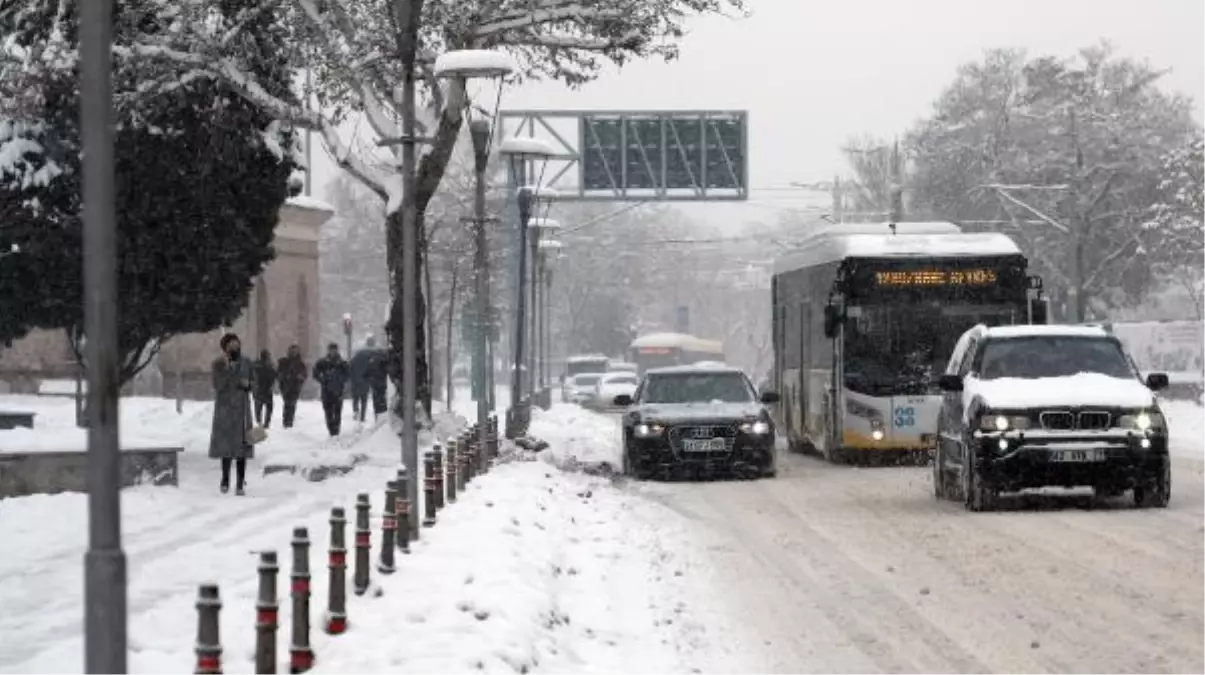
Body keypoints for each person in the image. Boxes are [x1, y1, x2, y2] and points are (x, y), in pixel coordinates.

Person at [209, 333, 254, 495]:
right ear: (225, 347)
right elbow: (217, 385)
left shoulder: (247, 362)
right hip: (225, 410)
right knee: (226, 448)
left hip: (242, 410)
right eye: (231, 345)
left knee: (242, 448)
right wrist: (227, 370)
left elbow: (253, 382)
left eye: (237, 344)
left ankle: (240, 483)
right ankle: (225, 479)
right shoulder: (218, 364)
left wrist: (248, 384)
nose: (235, 347)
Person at [313, 342, 350, 436]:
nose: (333, 352)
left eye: (334, 350)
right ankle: (331, 429)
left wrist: (340, 380)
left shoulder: (342, 363)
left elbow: (347, 375)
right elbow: (315, 373)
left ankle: (336, 430)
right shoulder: (322, 362)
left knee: (337, 411)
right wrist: (323, 379)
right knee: (328, 411)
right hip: (326, 391)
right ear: (328, 350)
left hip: (338, 390)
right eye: (331, 350)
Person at [277, 344, 307, 428]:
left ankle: (289, 421)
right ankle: (286, 421)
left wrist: (299, 377)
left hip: (295, 387)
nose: (293, 352)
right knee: (287, 403)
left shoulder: (300, 363)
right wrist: (283, 377)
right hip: (285, 386)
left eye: (295, 350)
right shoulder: (283, 361)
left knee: (292, 404)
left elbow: (304, 374)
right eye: (292, 350)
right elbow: (278, 373)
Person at [348, 336, 375, 423]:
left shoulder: (355, 359)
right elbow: (371, 370)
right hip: (364, 382)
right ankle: (362, 416)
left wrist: (352, 379)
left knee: (356, 398)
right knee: (364, 400)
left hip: (355, 382)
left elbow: (350, 369)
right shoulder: (368, 358)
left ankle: (356, 411)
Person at [252, 348, 278, 428]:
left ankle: (260, 422)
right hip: (266, 389)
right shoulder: (269, 365)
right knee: (268, 407)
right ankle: (265, 423)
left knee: (258, 407)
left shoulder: (256, 364)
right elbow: (275, 375)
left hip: (259, 389)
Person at [367, 337, 389, 419]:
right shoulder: (383, 359)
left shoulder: (372, 359)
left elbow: (368, 371)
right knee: (382, 398)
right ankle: (382, 414)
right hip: (382, 382)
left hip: (375, 382)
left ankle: (378, 414)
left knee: (376, 399)